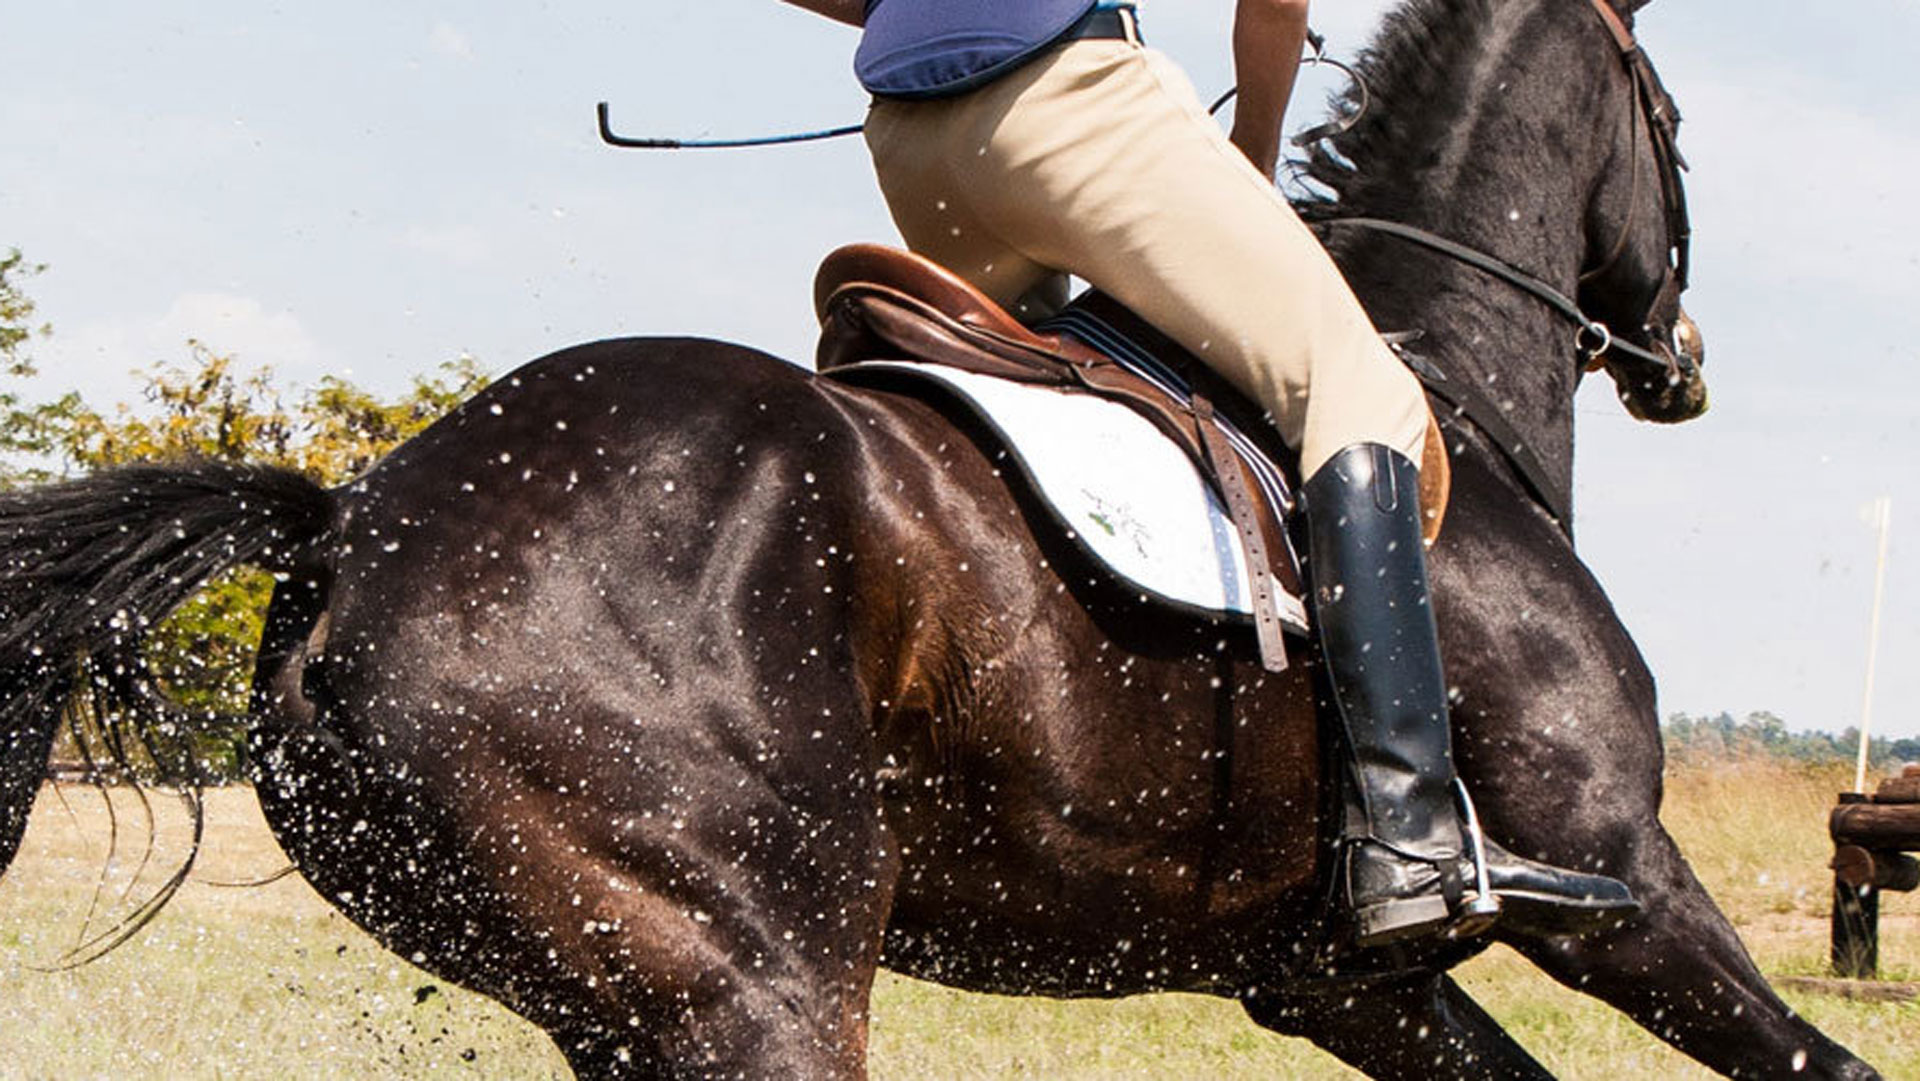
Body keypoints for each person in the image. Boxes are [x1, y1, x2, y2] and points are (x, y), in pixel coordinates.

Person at [781, 0, 1637, 948]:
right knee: (1358, 391)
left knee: (1054, 399)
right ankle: (1408, 836)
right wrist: (1253, 153)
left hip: (911, 143)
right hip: (1067, 104)